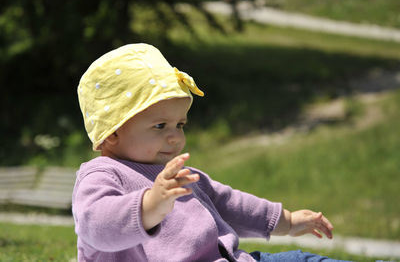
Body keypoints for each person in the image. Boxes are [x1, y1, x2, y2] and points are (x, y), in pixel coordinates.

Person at [73, 43, 349, 261]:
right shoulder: (103, 175)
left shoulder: (180, 175)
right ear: (112, 133)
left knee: (300, 258)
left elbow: (230, 203)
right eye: (160, 125)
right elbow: (95, 224)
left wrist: (285, 221)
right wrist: (149, 206)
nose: (175, 137)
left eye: (180, 124)